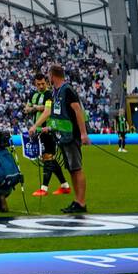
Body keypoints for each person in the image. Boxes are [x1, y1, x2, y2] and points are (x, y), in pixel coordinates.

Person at [46, 63, 90, 213]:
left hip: (72, 136)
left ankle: (81, 202)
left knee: (76, 168)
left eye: (48, 75)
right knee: (71, 169)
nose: (48, 78)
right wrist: (49, 128)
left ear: (52, 75)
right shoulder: (56, 91)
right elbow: (58, 115)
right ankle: (77, 201)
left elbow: (78, 111)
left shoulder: (67, 90)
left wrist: (83, 134)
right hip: (63, 136)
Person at [25, 73, 69, 197]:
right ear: (34, 84)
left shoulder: (50, 94)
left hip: (48, 130)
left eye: (43, 83)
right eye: (38, 84)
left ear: (47, 83)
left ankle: (44, 188)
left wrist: (35, 112)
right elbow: (27, 108)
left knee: (48, 157)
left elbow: (47, 111)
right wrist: (35, 108)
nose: (40, 86)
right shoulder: (32, 95)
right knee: (49, 158)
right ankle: (65, 185)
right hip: (38, 131)